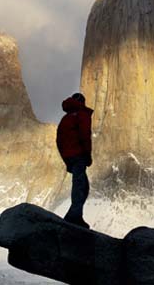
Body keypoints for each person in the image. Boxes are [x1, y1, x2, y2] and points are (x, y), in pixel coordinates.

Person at [56, 92, 93, 228]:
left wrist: (67, 160)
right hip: (79, 156)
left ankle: (75, 214)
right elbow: (85, 135)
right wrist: (87, 155)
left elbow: (59, 140)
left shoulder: (65, 118)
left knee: (82, 185)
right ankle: (74, 216)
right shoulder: (82, 115)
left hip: (70, 157)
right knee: (80, 186)